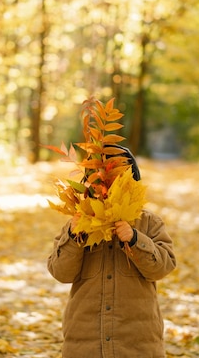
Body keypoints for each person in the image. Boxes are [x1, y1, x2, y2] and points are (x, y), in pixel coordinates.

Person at [47, 146, 176, 358]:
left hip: (136, 345)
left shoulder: (148, 222)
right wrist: (73, 235)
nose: (107, 186)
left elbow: (163, 267)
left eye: (116, 176)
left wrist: (135, 239)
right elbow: (61, 273)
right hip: (86, 344)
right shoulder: (79, 223)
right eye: (99, 178)